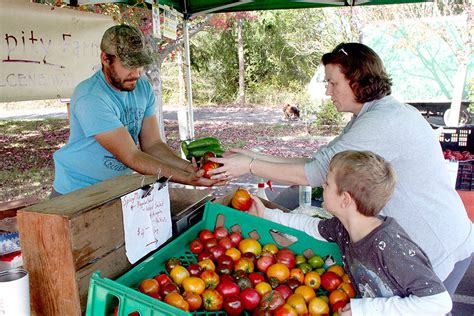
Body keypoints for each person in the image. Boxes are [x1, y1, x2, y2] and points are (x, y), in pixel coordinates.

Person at [210, 42, 474, 295]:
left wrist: (250, 165)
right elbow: (320, 162)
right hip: (410, 243)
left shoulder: (383, 122)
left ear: (358, 82)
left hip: (435, 244)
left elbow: (315, 173)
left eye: (333, 82)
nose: (328, 91)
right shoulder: (370, 116)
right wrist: (251, 156)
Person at [248, 150, 452, 315]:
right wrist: (267, 214)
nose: (322, 187)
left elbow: (439, 302)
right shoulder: (343, 228)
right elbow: (308, 225)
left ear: (345, 199)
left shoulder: (390, 246)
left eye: (327, 183)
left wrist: (365, 309)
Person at [52, 25, 218, 196]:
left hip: (117, 186)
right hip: (76, 190)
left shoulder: (142, 88)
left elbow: (153, 145)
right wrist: (186, 178)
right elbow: (131, 155)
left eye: (139, 65)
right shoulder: (91, 96)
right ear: (105, 59)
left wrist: (188, 168)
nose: (137, 73)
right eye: (129, 65)